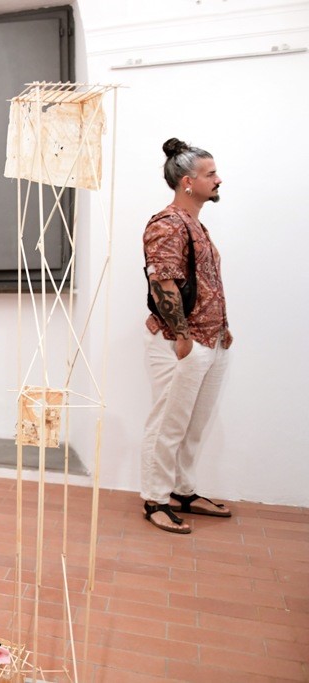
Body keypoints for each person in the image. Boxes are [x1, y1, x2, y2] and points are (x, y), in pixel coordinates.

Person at [140, 137, 233, 534]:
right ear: (187, 182)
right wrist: (182, 336)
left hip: (210, 339)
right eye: (211, 174)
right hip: (181, 342)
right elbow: (162, 282)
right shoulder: (167, 224)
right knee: (168, 424)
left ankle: (182, 491)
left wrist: (222, 328)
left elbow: (205, 281)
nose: (218, 179)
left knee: (194, 424)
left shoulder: (196, 224)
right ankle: (154, 499)